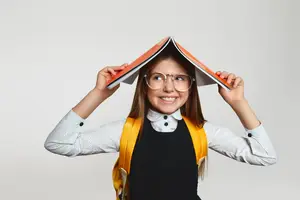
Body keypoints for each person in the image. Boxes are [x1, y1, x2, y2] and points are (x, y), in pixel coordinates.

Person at [44, 48, 277, 200]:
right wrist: (98, 94)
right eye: (157, 77)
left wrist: (239, 102)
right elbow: (58, 143)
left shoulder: (202, 131)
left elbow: (264, 156)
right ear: (144, 85)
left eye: (179, 78)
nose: (169, 88)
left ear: (190, 86)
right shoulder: (125, 131)